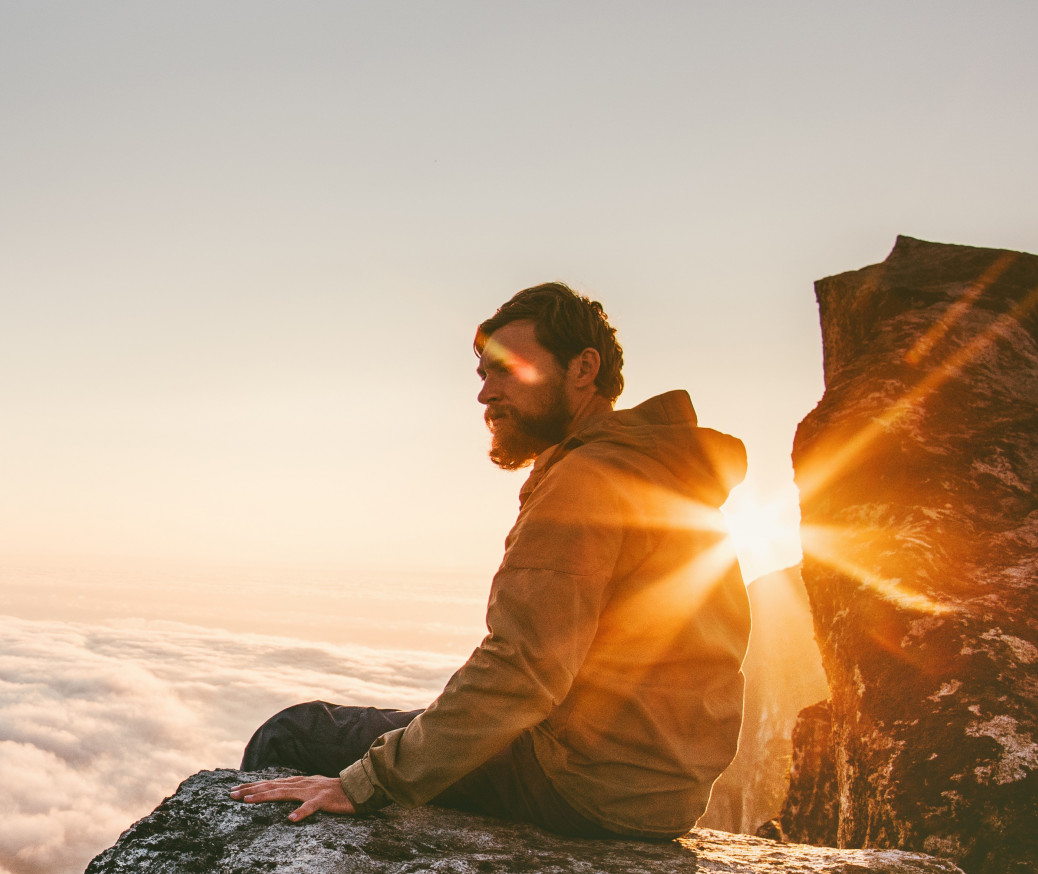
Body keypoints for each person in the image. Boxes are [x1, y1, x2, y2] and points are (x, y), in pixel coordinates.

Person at [232, 283, 750, 840]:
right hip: (655, 788)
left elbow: (522, 670)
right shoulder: (659, 471)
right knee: (409, 728)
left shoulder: (586, 479)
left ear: (583, 368)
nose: (486, 395)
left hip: (584, 783)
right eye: (483, 375)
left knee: (294, 734)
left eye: (508, 369)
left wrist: (365, 783)